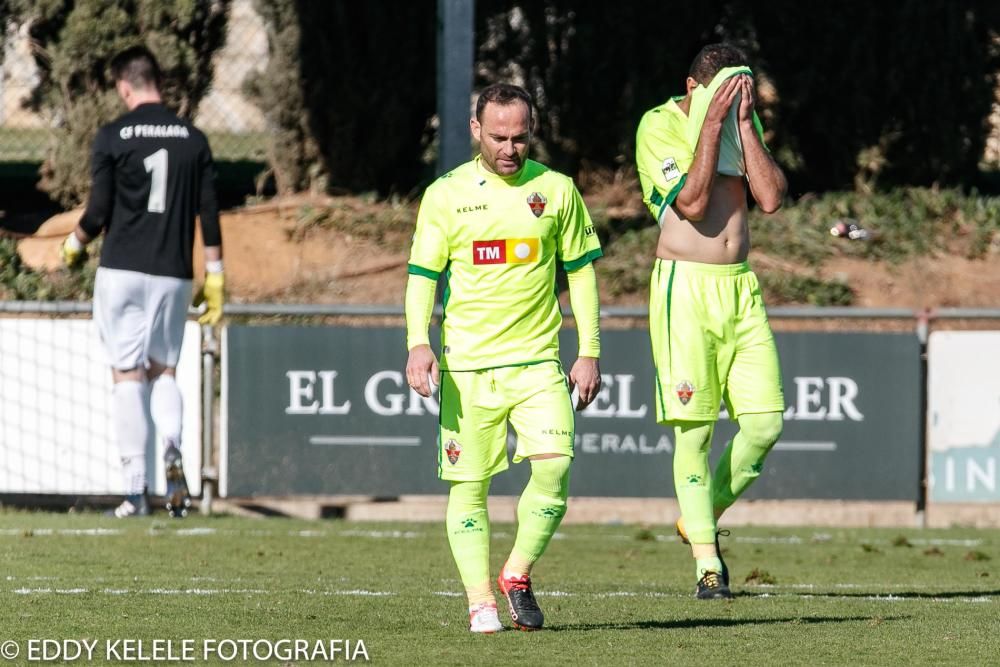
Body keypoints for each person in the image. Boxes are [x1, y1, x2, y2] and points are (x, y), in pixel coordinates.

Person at [405, 83, 602, 633]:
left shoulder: (557, 190)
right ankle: (479, 601)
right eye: (498, 138)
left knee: (556, 467)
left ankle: (515, 574)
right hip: (468, 367)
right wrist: (417, 343)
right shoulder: (445, 194)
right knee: (469, 488)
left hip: (539, 362)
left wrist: (589, 351)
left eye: (519, 138)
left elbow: (581, 273)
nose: (510, 149)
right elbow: (423, 276)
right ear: (475, 131)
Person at [635, 43, 787, 599]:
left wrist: (743, 125)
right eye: (722, 91)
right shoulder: (657, 125)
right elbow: (693, 205)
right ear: (694, 87)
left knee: (766, 424)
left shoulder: (738, 124)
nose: (729, 100)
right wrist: (711, 122)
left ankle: (699, 515)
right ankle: (708, 564)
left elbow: (769, 198)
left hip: (740, 288)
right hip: (685, 290)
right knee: (694, 433)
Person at [60, 45, 224, 519]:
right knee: (164, 371)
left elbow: (97, 212)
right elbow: (209, 212)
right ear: (158, 82)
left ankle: (136, 489)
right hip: (174, 273)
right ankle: (172, 448)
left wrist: (74, 244)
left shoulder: (113, 135)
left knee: (127, 374)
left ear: (124, 86)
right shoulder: (193, 139)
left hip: (121, 271)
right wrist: (215, 274)